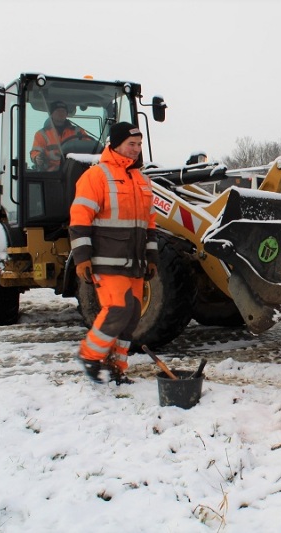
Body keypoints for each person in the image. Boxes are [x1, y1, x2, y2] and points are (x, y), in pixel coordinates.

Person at [69, 122, 159, 384]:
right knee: (117, 308)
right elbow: (80, 217)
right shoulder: (96, 176)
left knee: (131, 315)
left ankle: (116, 367)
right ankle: (90, 356)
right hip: (107, 260)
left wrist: (151, 257)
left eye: (139, 145)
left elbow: (149, 224)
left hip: (135, 262)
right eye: (131, 144)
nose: (136, 149)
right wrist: (82, 256)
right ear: (116, 144)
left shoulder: (142, 180)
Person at [30, 100, 92, 171]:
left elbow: (89, 146)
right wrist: (37, 158)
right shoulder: (41, 134)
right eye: (58, 111)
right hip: (51, 174)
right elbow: (35, 152)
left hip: (74, 171)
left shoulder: (78, 132)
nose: (61, 113)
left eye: (63, 111)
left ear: (66, 114)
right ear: (51, 114)